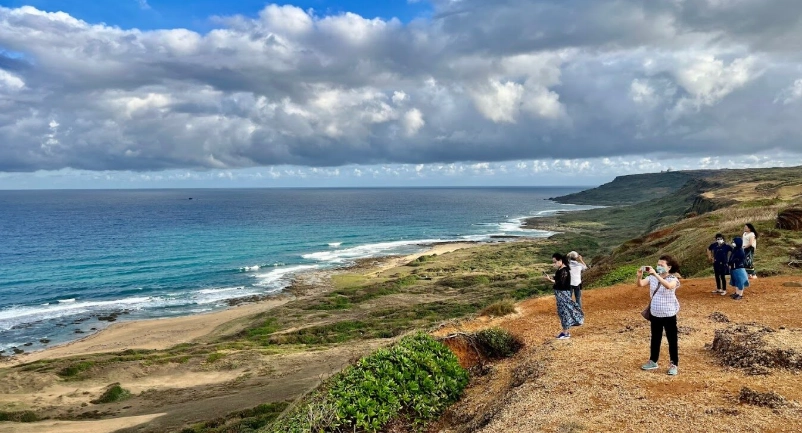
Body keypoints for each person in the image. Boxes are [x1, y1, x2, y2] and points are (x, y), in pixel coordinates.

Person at [637, 255, 681, 376]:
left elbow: (668, 286)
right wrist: (639, 276)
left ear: (669, 267)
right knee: (655, 338)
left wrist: (656, 275)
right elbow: (640, 284)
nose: (659, 267)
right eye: (658, 265)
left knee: (672, 339)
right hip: (655, 313)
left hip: (669, 313)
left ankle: (674, 364)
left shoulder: (673, 279)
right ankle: (653, 360)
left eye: (662, 265)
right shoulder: (652, 278)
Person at [543, 252, 584, 339]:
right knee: (563, 311)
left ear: (560, 260)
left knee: (564, 312)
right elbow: (557, 279)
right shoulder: (561, 269)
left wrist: (550, 280)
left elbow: (560, 283)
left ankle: (566, 333)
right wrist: (550, 278)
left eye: (555, 262)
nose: (554, 264)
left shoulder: (564, 270)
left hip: (563, 294)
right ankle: (566, 331)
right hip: (560, 294)